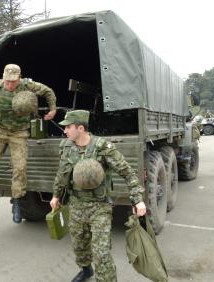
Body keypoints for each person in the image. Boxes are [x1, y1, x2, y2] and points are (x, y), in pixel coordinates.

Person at [49, 110, 146, 282]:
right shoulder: (66, 146)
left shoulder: (102, 147)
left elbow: (127, 172)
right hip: (76, 204)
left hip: (99, 206)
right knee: (79, 246)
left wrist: (138, 199)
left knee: (101, 252)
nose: (64, 131)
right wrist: (56, 195)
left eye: (68, 127)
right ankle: (86, 270)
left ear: (80, 128)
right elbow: (62, 173)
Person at [0, 63, 57, 223]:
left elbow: (48, 91)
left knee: (20, 168)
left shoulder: (27, 85)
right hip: (0, 131)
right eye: (7, 81)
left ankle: (18, 202)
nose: (10, 84)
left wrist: (52, 109)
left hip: (19, 133)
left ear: (19, 77)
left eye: (13, 81)